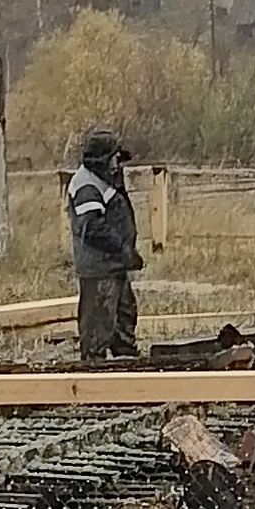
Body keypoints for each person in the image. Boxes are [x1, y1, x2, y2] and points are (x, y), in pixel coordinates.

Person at [64, 129, 143, 364]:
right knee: (98, 325)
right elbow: (93, 228)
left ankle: (127, 363)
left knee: (124, 317)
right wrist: (123, 249)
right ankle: (93, 374)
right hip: (99, 269)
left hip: (113, 266)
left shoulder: (101, 180)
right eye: (116, 159)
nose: (118, 165)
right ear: (103, 159)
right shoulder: (87, 185)